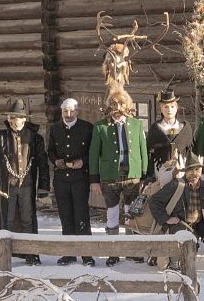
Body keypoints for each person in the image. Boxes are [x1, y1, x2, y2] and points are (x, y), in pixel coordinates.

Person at [0, 98, 49, 265]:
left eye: (19, 118)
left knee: (27, 220)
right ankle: (2, 254)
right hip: (6, 186)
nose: (16, 121)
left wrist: (44, 186)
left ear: (24, 119)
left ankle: (30, 253)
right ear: (8, 119)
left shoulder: (35, 138)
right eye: (12, 118)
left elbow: (43, 163)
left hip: (27, 185)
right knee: (6, 220)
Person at [88, 92, 149, 267]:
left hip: (132, 177)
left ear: (127, 107)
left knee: (132, 213)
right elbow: (93, 154)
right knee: (112, 213)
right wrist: (94, 179)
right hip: (110, 177)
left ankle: (132, 251)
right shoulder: (101, 127)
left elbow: (142, 149)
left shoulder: (136, 124)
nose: (118, 110)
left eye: (121, 106)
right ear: (109, 108)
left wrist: (144, 175)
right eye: (114, 106)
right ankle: (113, 252)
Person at [46, 97, 95, 266]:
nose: (68, 114)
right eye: (65, 111)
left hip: (80, 178)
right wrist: (55, 161)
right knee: (65, 215)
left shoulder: (87, 128)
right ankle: (69, 253)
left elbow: (94, 152)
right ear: (61, 112)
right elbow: (50, 150)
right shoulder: (55, 129)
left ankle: (87, 254)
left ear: (77, 111)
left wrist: (83, 161)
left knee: (81, 215)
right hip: (61, 179)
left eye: (71, 111)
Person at [145, 88, 193, 185]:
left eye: (172, 106)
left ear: (177, 108)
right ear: (161, 109)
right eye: (166, 107)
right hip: (161, 170)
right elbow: (149, 154)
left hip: (182, 169)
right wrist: (149, 176)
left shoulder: (185, 128)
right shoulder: (155, 129)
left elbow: (191, 151)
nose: (169, 110)